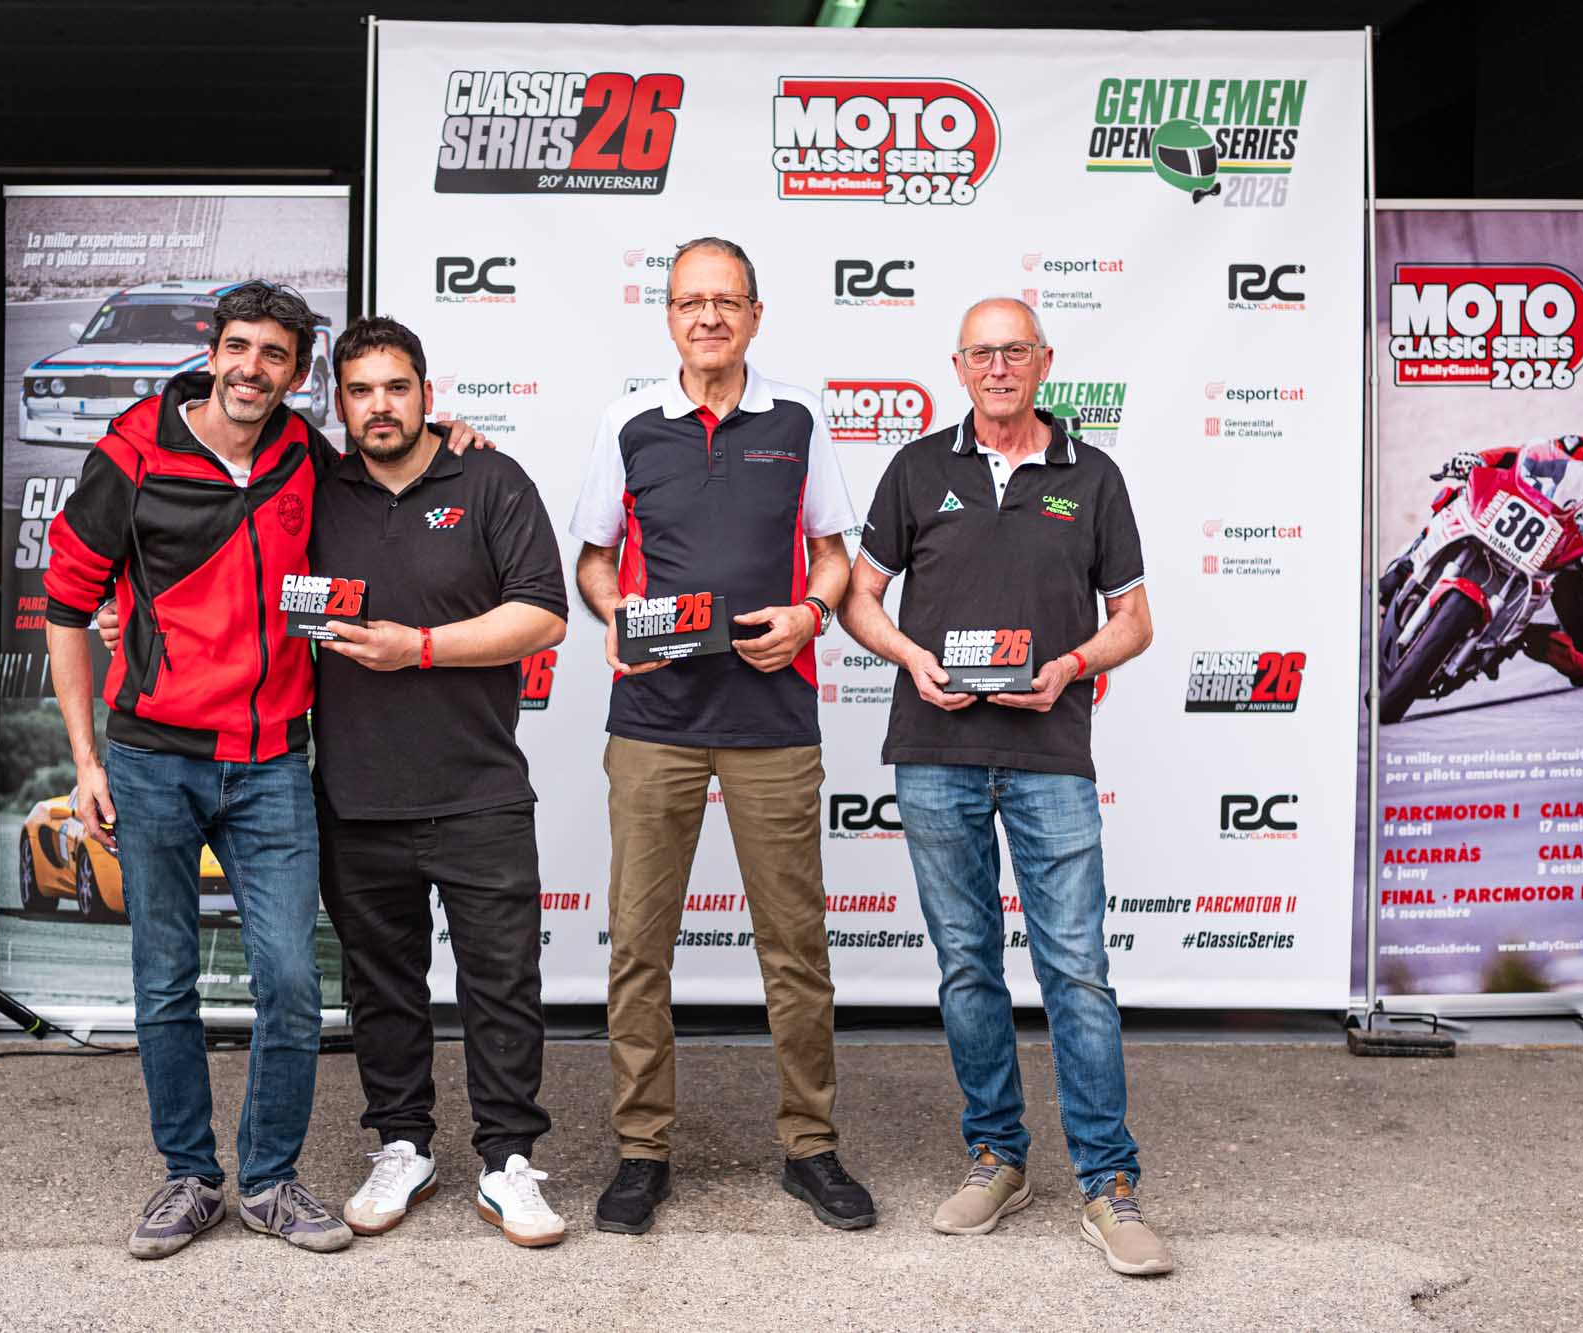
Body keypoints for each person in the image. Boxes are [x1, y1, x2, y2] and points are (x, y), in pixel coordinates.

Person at [45, 282, 483, 1260]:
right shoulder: (131, 452)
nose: (252, 368)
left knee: (288, 980)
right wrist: (84, 760)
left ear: (297, 371)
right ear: (213, 351)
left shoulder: (303, 455)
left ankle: (272, 1180)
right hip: (152, 758)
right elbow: (67, 605)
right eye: (238, 347)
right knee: (164, 980)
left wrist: (450, 439)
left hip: (274, 760)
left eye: (274, 355)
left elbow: (391, 482)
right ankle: (189, 1177)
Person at [839, 297, 1172, 1277]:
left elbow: (1134, 619)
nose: (997, 367)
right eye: (981, 353)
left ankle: (1108, 1182)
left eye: (1013, 351)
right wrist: (910, 657)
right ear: (957, 366)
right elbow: (858, 596)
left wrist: (1070, 665)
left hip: (1049, 751)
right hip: (934, 748)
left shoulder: (1092, 475)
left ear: (1042, 361)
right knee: (966, 964)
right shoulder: (916, 469)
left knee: (1076, 968)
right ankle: (997, 1156)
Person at [568, 236, 875, 1235]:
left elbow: (833, 553)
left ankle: (810, 1146)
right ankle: (641, 1150)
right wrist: (614, 612)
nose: (707, 317)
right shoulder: (627, 421)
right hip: (654, 719)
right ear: (668, 315)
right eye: (690, 301)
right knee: (638, 946)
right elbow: (594, 559)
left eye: (725, 301)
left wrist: (810, 614)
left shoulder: (798, 417)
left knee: (795, 945)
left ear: (753, 314)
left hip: (771, 719)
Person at [304, 318, 569, 1247]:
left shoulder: (491, 480)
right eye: (361, 390)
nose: (380, 405)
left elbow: (543, 615)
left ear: (427, 392)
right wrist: (123, 619)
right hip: (356, 794)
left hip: (478, 787)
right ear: (340, 404)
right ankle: (403, 1144)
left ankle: (507, 1162)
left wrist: (417, 647)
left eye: (396, 386)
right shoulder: (311, 492)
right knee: (382, 986)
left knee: (502, 985)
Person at [1402, 399, 1583, 685]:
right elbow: (1518, 457)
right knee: (1462, 495)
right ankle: (1405, 566)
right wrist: (1480, 460)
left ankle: (1518, 638)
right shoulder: (1576, 450)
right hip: (1533, 521)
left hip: (1575, 566)